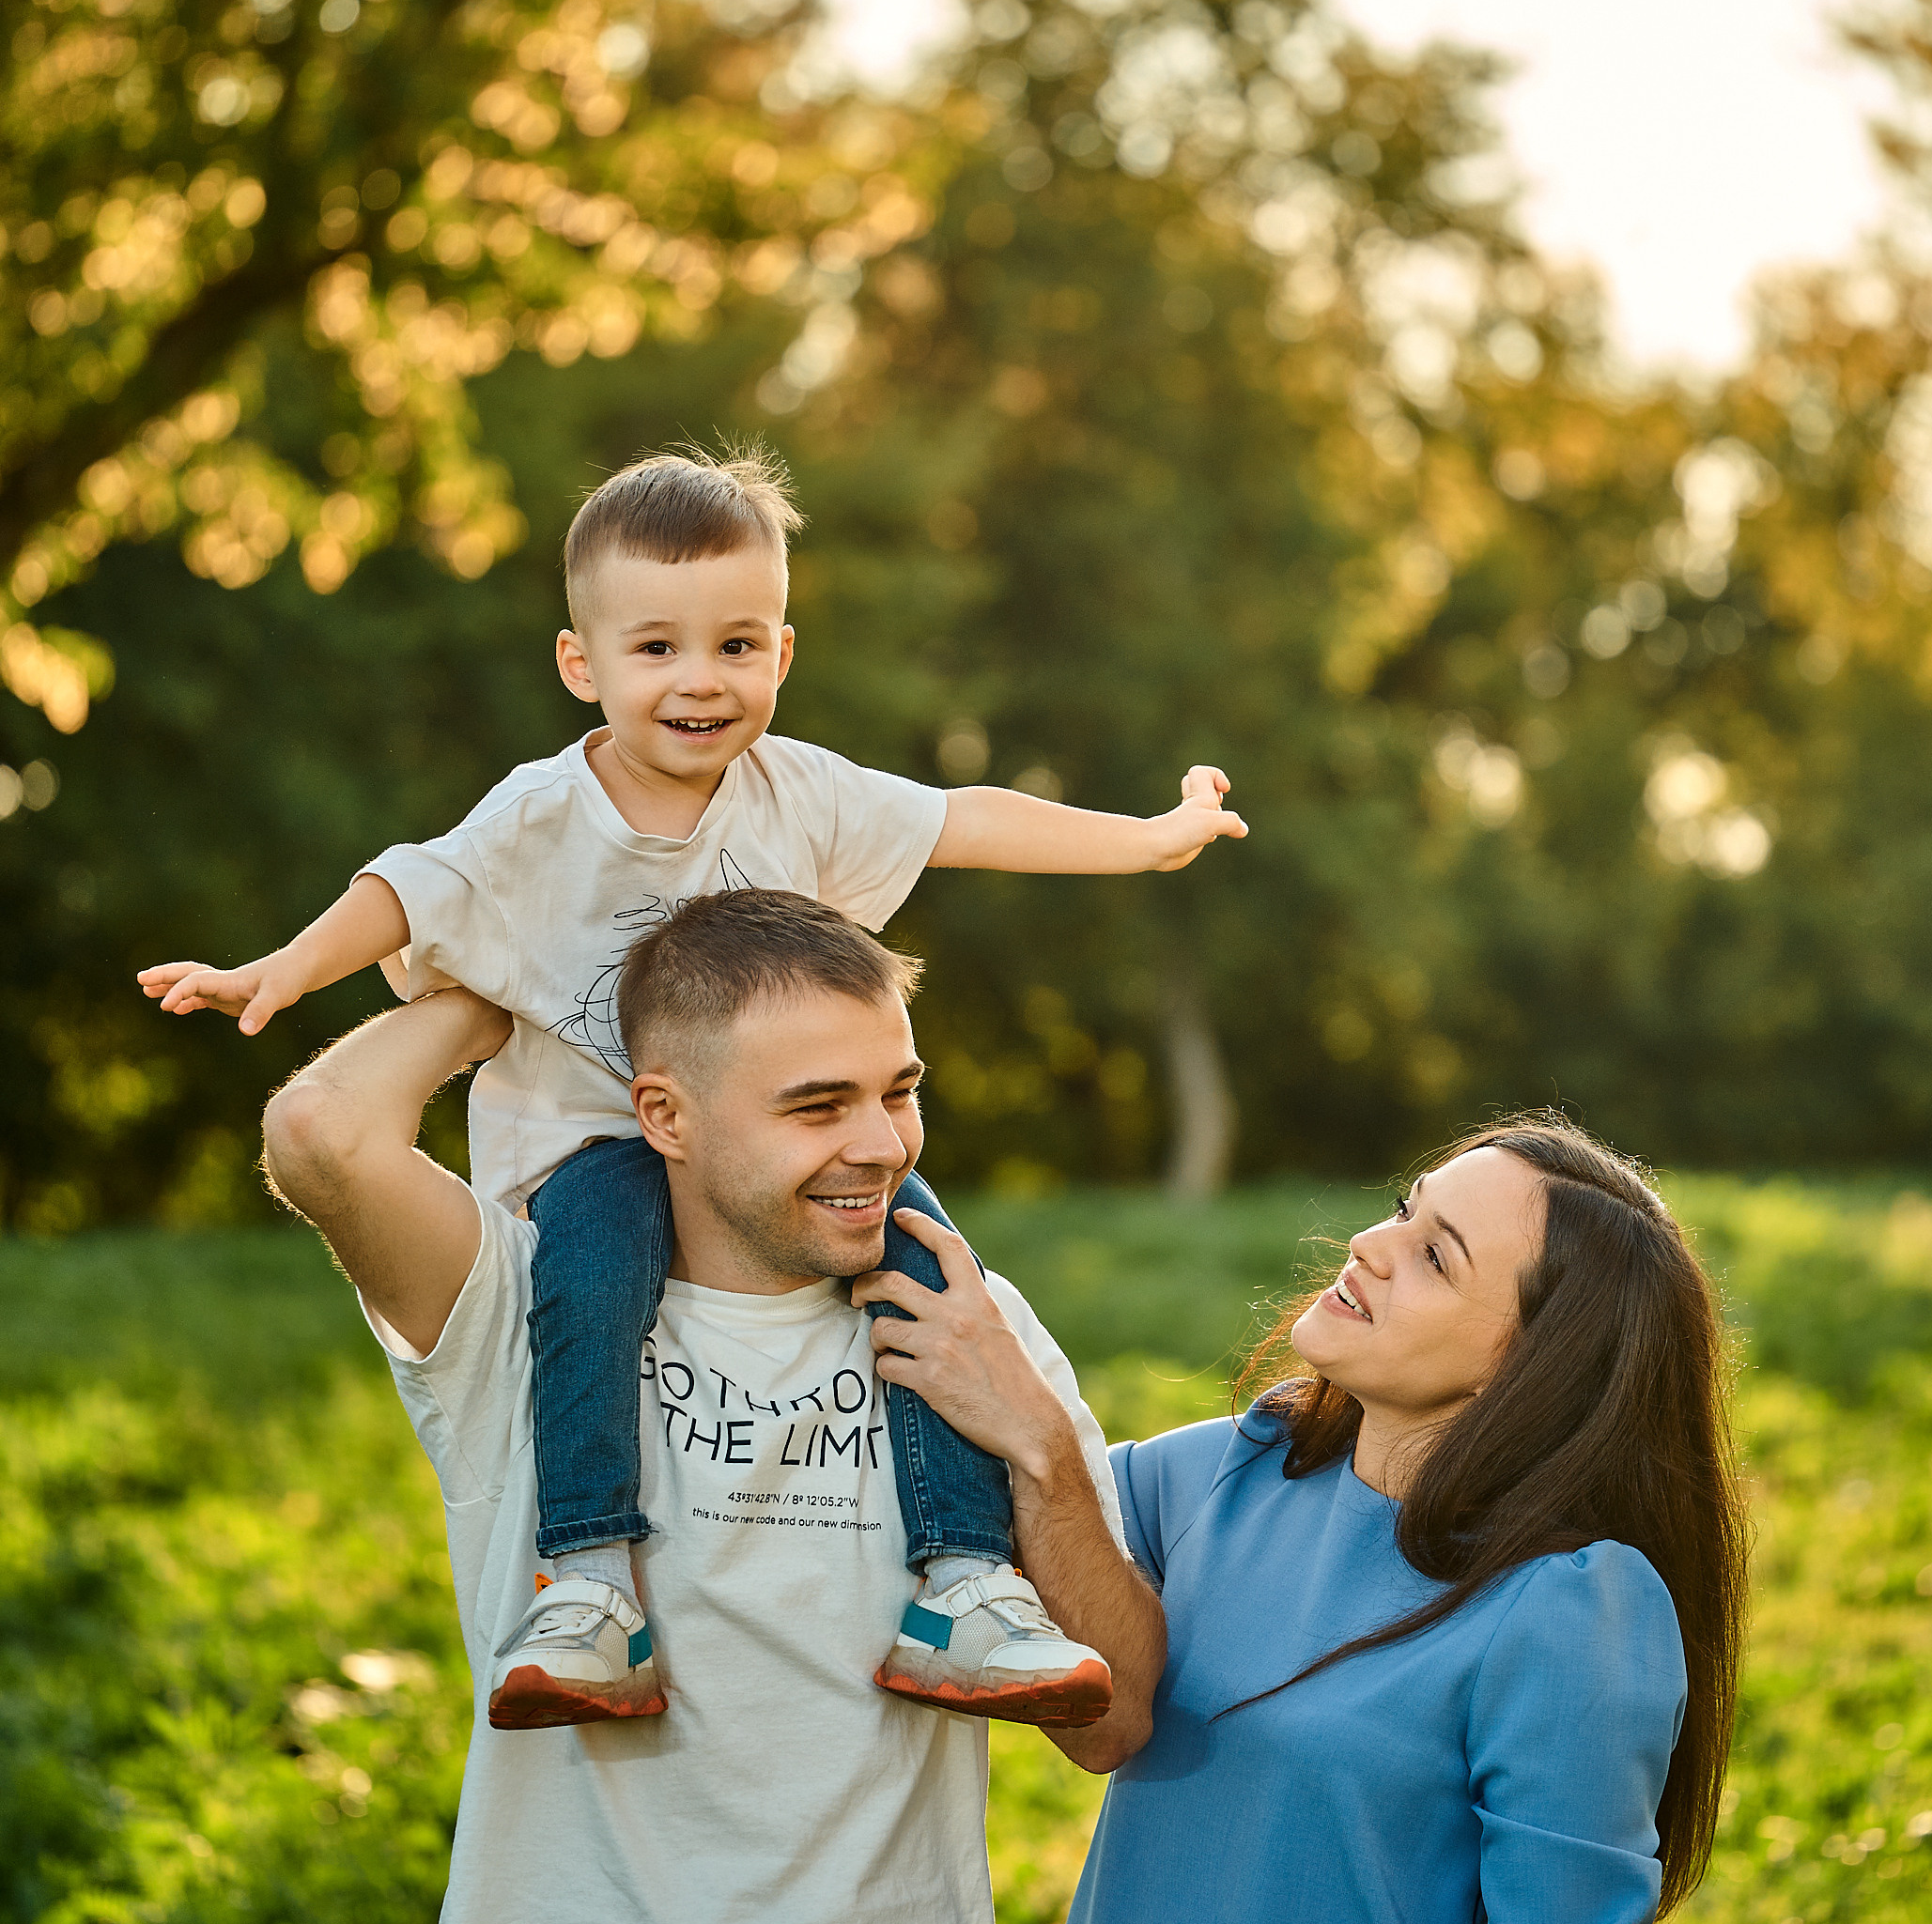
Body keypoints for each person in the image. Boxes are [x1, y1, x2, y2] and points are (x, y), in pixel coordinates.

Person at [141, 442, 1244, 1731]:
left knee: (931, 1275)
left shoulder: (799, 793)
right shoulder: (540, 815)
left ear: (782, 652)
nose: (700, 678)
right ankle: (590, 1581)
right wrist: (280, 968)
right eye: (656, 646)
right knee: (595, 1270)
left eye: (736, 643)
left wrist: (1147, 840)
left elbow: (964, 816)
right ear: (582, 664)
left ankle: (964, 1579)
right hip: (596, 1144)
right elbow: (407, 886)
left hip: (776, 1161)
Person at [259, 885, 1165, 1924]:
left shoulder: (967, 1325)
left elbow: (1117, 1723)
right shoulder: (520, 1312)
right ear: (664, 1115)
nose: (882, 1143)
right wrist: (503, 982)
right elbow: (322, 1132)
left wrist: (1036, 1442)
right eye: (817, 1105)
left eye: (899, 1089)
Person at [1007, 1116, 1751, 1924]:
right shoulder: (1228, 1473)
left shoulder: (1567, 1607)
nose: (1368, 1243)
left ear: (1529, 1364)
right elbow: (1000, 1526)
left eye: (1435, 1254)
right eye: (1405, 1209)